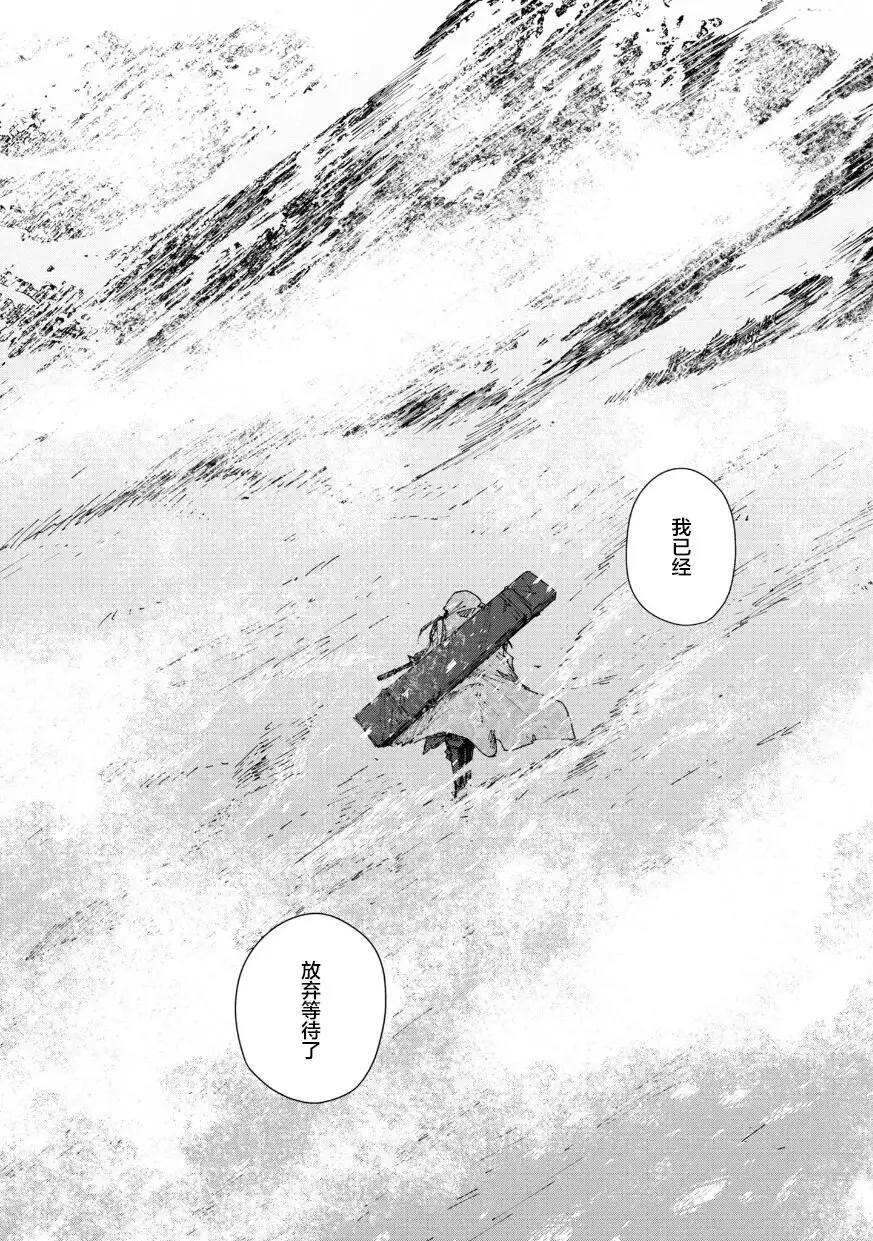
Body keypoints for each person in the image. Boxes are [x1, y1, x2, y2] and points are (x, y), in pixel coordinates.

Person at [394, 590, 575, 797]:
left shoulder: (446, 625)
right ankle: (462, 787)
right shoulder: (479, 622)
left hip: (459, 699)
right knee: (464, 738)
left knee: (460, 740)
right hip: (467, 696)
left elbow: (437, 661)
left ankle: (461, 787)